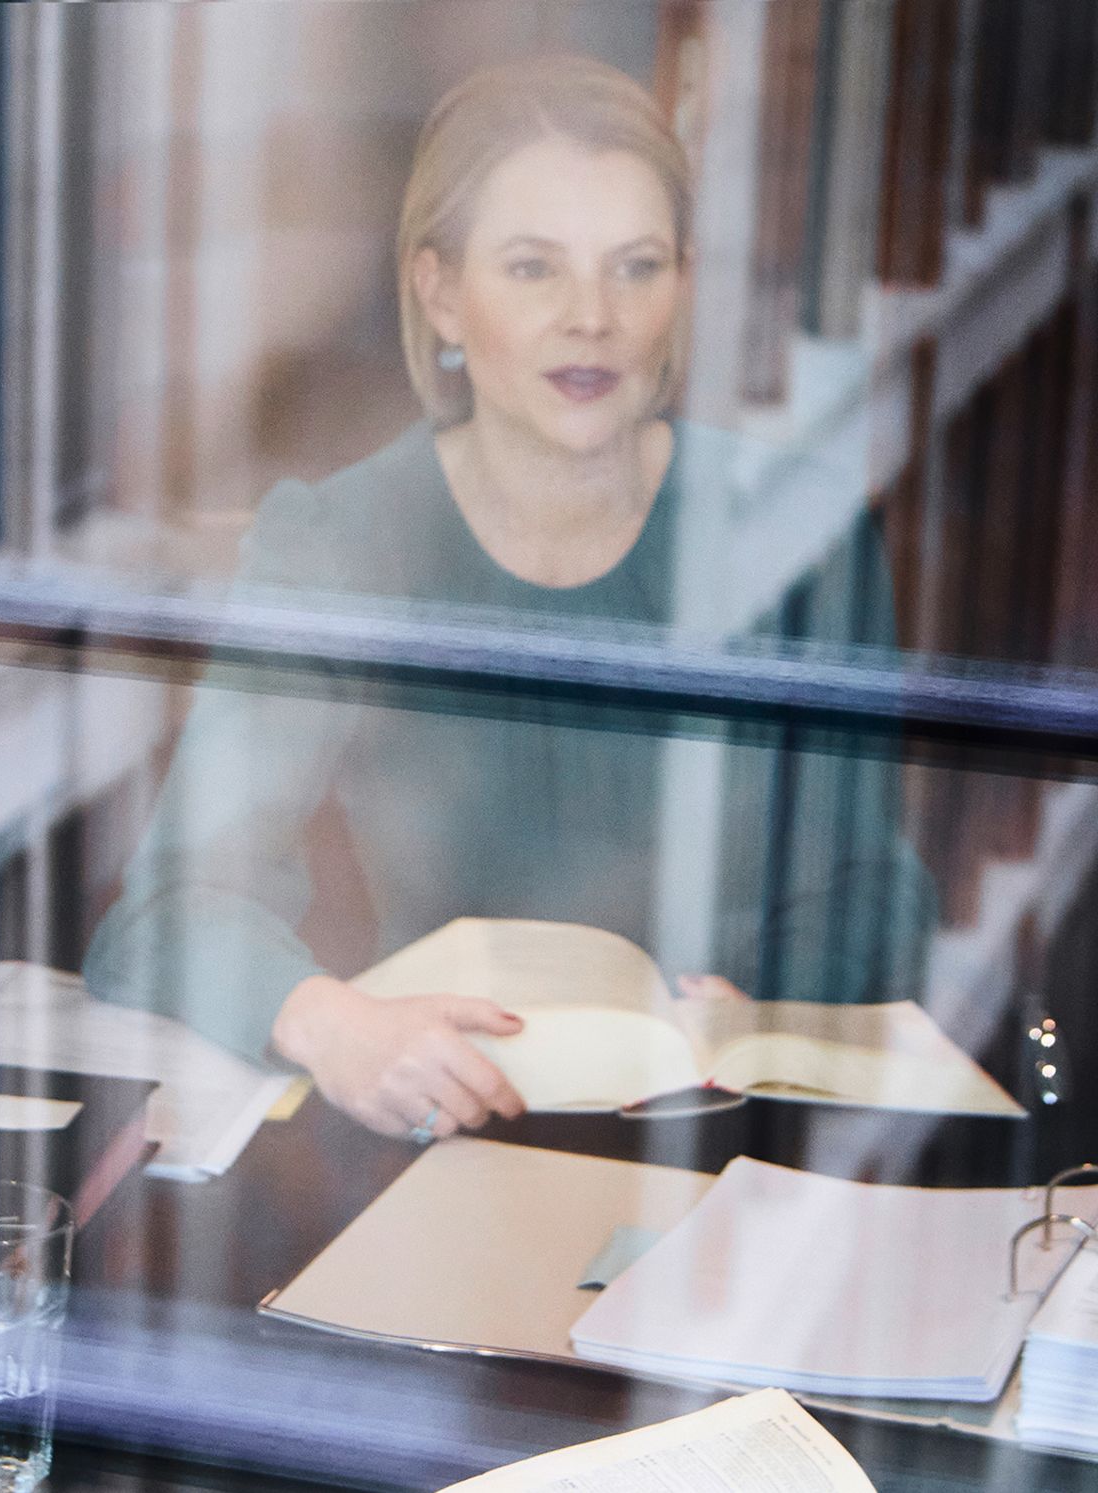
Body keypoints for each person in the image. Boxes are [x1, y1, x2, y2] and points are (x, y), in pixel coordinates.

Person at [83, 56, 930, 1144]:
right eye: (533, 268)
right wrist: (334, 1024)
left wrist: (765, 1006)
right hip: (445, 1118)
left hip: (727, 1124)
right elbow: (164, 910)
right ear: (439, 290)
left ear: (681, 287)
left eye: (635, 267)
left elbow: (874, 887)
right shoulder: (343, 540)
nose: (591, 317)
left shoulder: (797, 529)